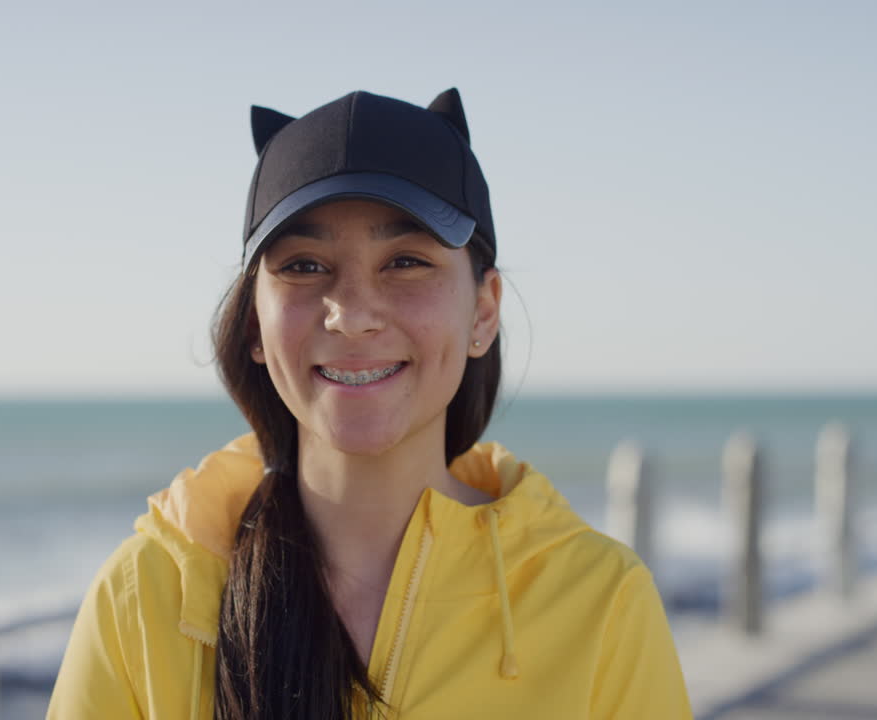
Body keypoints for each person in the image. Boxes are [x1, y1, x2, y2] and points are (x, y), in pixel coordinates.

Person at [47, 88, 692, 720]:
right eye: (303, 266)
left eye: (406, 261)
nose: (351, 315)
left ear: (483, 311)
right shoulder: (147, 595)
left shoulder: (601, 602)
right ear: (254, 327)